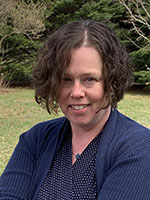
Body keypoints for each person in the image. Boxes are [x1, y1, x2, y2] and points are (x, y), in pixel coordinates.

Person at [0, 19, 150, 200]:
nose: (76, 92)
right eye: (66, 79)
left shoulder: (139, 148)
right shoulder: (36, 140)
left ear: (112, 81)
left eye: (89, 79)